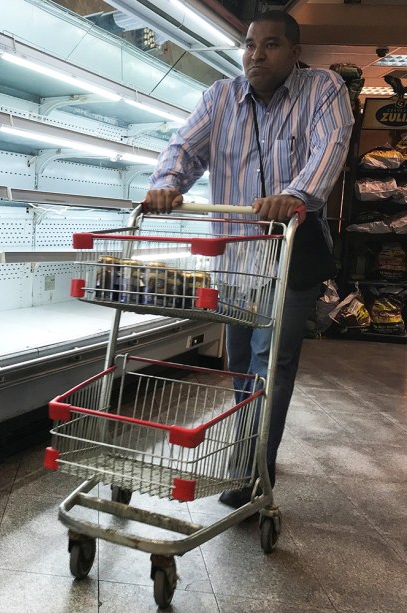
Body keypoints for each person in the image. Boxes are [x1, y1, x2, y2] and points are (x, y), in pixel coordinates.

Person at [143, 11, 353, 508]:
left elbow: (330, 146)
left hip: (288, 259)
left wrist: (295, 194)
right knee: (241, 366)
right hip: (234, 259)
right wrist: (167, 183)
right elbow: (185, 146)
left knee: (270, 365)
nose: (256, 55)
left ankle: (253, 471)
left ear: (295, 52)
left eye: (272, 45)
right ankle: (253, 450)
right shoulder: (220, 97)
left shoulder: (322, 90)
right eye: (250, 44)